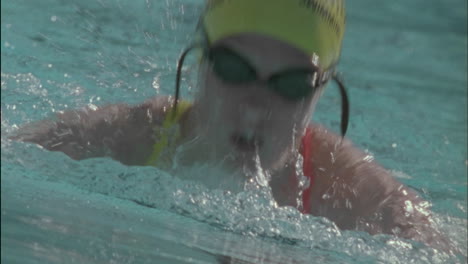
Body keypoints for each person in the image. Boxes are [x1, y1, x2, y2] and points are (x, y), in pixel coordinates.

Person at [10, 0, 451, 252]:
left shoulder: (363, 200)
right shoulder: (117, 140)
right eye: (235, 68)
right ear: (200, 62)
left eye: (292, 83)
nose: (256, 106)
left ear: (323, 89)